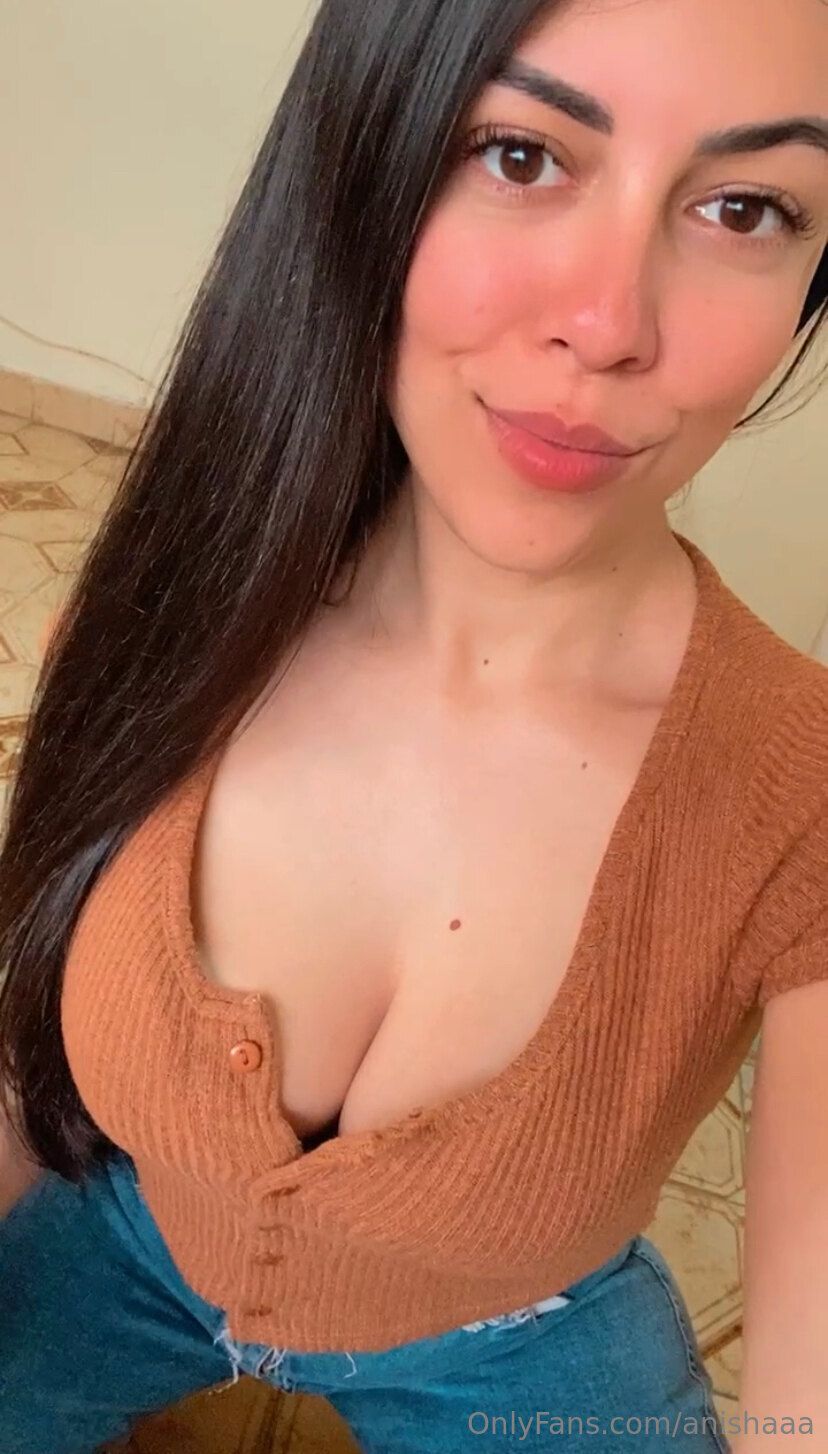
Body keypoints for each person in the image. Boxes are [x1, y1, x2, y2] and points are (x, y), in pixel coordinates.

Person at [1, 0, 826, 1450]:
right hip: (121, 1239)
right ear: (360, 157)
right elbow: (21, 1064)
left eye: (745, 207)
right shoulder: (156, 613)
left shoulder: (802, 794)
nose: (608, 326)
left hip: (524, 1335)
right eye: (520, 154)